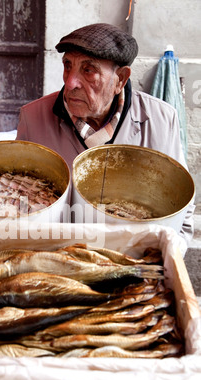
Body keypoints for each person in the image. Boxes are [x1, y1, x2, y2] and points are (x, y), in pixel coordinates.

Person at [16, 23, 195, 243]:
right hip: (60, 258)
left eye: (88, 70)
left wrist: (166, 259)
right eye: (67, 65)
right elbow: (19, 203)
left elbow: (182, 212)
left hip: (131, 261)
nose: (70, 82)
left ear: (120, 79)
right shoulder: (33, 118)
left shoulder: (161, 119)